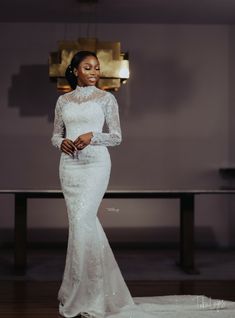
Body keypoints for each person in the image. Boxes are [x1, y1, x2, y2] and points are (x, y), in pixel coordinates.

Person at [51, 51, 235, 318]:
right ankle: (84, 291)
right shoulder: (62, 100)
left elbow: (116, 137)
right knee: (82, 227)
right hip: (69, 167)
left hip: (95, 166)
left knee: (82, 223)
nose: (94, 72)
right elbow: (56, 135)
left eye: (97, 68)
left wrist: (93, 136)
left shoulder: (106, 98)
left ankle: (87, 294)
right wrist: (61, 143)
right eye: (88, 67)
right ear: (75, 71)